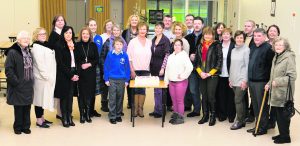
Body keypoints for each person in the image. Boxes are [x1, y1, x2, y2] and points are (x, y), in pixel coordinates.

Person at [265, 37, 297, 144]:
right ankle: (283, 133)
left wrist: (277, 82)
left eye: (280, 45)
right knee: (279, 115)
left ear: (285, 46)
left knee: (283, 116)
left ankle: (285, 137)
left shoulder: (289, 57)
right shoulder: (277, 56)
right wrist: (269, 83)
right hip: (276, 92)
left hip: (284, 92)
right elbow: (274, 74)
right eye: (276, 45)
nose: (278, 47)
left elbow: (292, 76)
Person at [247, 28, 274, 135]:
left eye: (259, 36)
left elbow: (271, 67)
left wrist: (268, 82)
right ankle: (257, 125)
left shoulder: (268, 49)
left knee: (262, 106)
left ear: (264, 37)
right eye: (255, 36)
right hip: (252, 81)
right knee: (255, 105)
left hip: (262, 82)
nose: (256, 38)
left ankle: (262, 127)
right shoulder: (253, 46)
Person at [5, 31, 33, 134]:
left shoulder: (28, 51)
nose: (26, 40)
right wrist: (16, 82)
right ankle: (17, 127)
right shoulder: (13, 52)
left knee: (27, 107)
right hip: (18, 85)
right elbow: (8, 69)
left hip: (28, 84)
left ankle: (26, 126)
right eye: (24, 38)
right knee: (19, 108)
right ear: (19, 40)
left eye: (28, 38)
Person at [196, 26, 222, 126]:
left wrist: (209, 73)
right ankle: (205, 115)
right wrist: (200, 72)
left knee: (211, 96)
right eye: (206, 34)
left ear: (213, 35)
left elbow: (219, 61)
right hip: (201, 75)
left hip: (212, 75)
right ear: (203, 35)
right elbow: (197, 63)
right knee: (204, 96)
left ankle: (212, 116)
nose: (207, 36)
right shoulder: (200, 46)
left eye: (210, 34)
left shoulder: (217, 45)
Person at [31, 28, 56, 128]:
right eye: (40, 34)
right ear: (36, 36)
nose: (43, 35)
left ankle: (42, 118)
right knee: (38, 100)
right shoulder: (36, 47)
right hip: (41, 78)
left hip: (46, 78)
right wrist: (47, 76)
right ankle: (39, 121)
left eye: (44, 33)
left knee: (43, 99)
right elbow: (40, 64)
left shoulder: (45, 44)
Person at [54, 26, 79, 127]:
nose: (69, 34)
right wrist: (71, 75)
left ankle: (69, 116)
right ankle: (64, 117)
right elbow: (60, 63)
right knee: (64, 97)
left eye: (70, 33)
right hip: (64, 74)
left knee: (70, 97)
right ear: (63, 34)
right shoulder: (59, 45)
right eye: (66, 33)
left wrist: (76, 73)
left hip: (73, 72)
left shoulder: (74, 44)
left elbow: (76, 60)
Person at [164, 39, 193, 125]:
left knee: (179, 100)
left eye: (178, 45)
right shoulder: (171, 56)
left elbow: (190, 67)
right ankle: (176, 115)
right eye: (175, 45)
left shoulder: (184, 56)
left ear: (181, 46)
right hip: (172, 82)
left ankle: (180, 117)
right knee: (174, 100)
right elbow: (167, 69)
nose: (176, 47)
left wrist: (183, 75)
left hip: (181, 82)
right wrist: (166, 81)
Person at [100, 24, 127, 113]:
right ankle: (111, 111)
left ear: (120, 31)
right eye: (114, 30)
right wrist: (105, 73)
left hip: (121, 74)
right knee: (111, 95)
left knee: (120, 96)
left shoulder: (124, 42)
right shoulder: (108, 42)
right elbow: (103, 57)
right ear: (112, 31)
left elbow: (125, 61)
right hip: (110, 73)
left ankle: (118, 111)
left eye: (117, 30)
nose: (116, 32)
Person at [127, 22, 152, 117]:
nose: (142, 31)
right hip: (135, 69)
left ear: (147, 31)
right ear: (137, 30)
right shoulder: (133, 42)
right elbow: (129, 57)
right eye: (141, 29)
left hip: (145, 70)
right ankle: (134, 108)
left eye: (144, 29)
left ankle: (140, 108)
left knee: (142, 90)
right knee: (135, 90)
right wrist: (132, 70)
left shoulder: (149, 42)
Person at [75, 27, 99, 124]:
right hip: (81, 73)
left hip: (91, 73)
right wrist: (81, 66)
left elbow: (96, 59)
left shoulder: (93, 45)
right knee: (81, 94)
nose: (85, 35)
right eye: (83, 34)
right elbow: (75, 59)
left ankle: (88, 114)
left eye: (87, 34)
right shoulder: (77, 45)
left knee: (89, 94)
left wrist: (89, 64)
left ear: (90, 35)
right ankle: (81, 114)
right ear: (81, 35)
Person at [104, 37, 130, 124]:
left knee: (120, 98)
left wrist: (127, 80)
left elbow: (127, 69)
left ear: (123, 45)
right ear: (113, 45)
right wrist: (106, 79)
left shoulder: (125, 55)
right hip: (112, 79)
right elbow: (106, 67)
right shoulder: (110, 54)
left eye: (120, 44)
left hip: (122, 80)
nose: (119, 46)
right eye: (117, 44)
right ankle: (112, 116)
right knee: (112, 98)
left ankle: (118, 114)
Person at [229, 30, 250, 130]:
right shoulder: (233, 50)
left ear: (244, 39)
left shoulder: (246, 50)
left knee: (237, 100)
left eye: (241, 38)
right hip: (233, 79)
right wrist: (230, 79)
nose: (239, 39)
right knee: (240, 101)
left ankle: (239, 121)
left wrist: (245, 81)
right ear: (235, 38)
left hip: (242, 80)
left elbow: (247, 66)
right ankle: (243, 118)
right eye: (237, 37)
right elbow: (232, 66)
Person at [149, 22, 170, 118]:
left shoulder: (165, 40)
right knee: (155, 90)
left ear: (163, 29)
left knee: (160, 91)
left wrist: (163, 68)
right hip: (154, 68)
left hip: (161, 68)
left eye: (159, 28)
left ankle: (161, 111)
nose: (157, 29)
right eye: (156, 28)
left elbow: (167, 55)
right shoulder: (153, 39)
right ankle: (156, 109)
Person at [184, 16, 204, 117]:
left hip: (203, 68)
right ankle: (196, 110)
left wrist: (198, 56)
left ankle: (206, 110)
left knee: (203, 91)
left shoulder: (206, 37)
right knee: (193, 89)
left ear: (202, 25)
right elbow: (183, 53)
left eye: (198, 23)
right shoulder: (187, 38)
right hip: (192, 69)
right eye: (195, 23)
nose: (196, 25)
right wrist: (189, 56)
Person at [48, 14, 67, 120]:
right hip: (57, 65)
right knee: (59, 89)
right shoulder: (53, 35)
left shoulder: (66, 32)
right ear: (54, 23)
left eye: (62, 20)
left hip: (65, 64)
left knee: (64, 89)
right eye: (58, 20)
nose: (60, 22)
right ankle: (60, 113)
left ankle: (62, 111)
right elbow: (51, 50)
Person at [215, 28, 235, 122]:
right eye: (224, 34)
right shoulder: (218, 45)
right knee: (221, 95)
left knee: (231, 96)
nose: (226, 36)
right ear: (221, 35)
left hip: (231, 74)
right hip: (220, 74)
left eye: (228, 34)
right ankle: (222, 114)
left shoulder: (234, 46)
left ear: (231, 35)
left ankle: (231, 115)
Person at [121, 14, 140, 109]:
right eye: (132, 20)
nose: (134, 21)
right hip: (127, 59)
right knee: (129, 80)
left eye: (136, 20)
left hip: (139, 59)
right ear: (130, 21)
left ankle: (137, 102)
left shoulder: (141, 31)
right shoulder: (125, 32)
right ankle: (130, 101)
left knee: (138, 80)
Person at [87, 18, 103, 118]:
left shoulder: (99, 38)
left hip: (96, 66)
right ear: (88, 26)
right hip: (87, 66)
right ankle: (87, 110)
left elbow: (100, 53)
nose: (93, 27)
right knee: (88, 89)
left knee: (95, 89)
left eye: (94, 25)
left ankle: (92, 109)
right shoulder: (85, 36)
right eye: (91, 25)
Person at [243, 20, 256, 123]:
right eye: (245, 26)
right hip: (242, 68)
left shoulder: (256, 38)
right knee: (243, 91)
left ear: (253, 27)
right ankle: (244, 112)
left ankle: (252, 114)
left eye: (249, 26)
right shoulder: (242, 36)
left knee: (252, 93)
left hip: (252, 69)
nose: (246, 28)